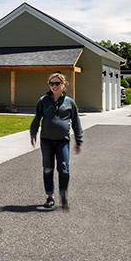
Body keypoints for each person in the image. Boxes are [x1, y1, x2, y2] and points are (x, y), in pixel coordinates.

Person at [29, 72, 83, 210]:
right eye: (51, 83)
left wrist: (79, 140)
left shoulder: (70, 102)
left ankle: (63, 196)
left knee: (64, 169)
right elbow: (37, 118)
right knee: (48, 168)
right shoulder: (43, 101)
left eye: (57, 83)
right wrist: (33, 132)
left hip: (62, 141)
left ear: (63, 84)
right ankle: (50, 197)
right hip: (46, 140)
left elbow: (76, 123)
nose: (54, 86)